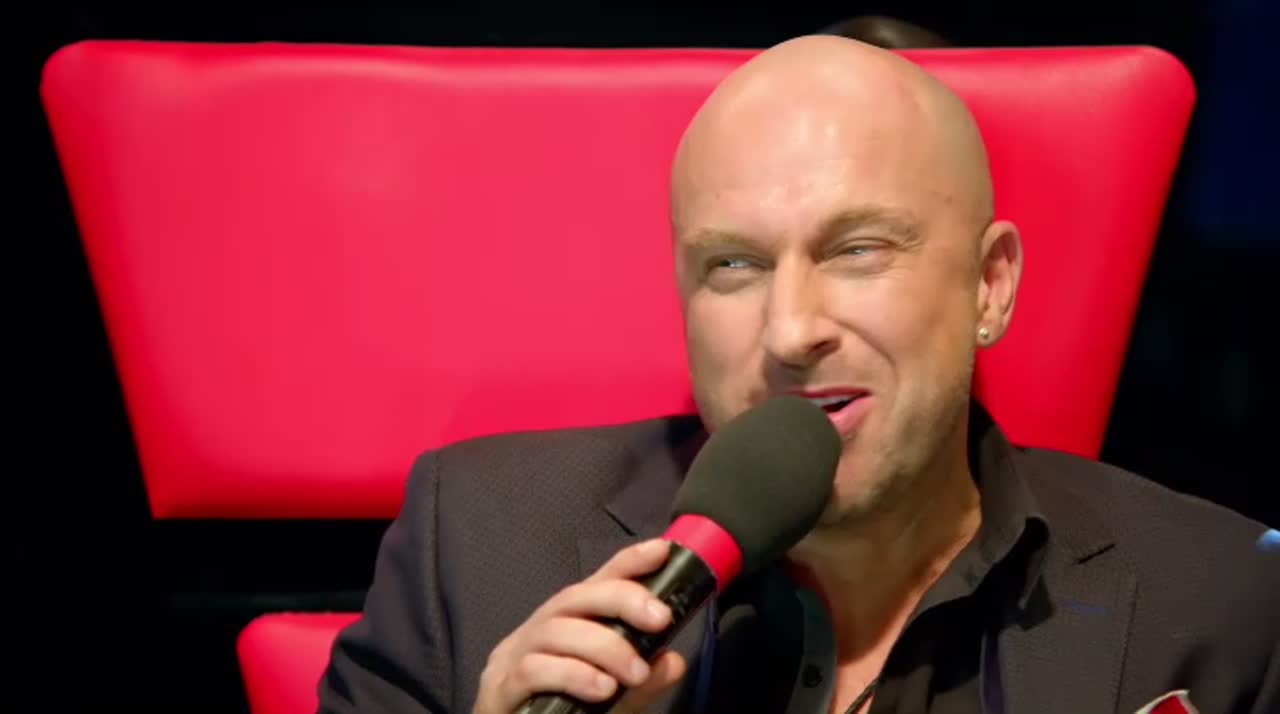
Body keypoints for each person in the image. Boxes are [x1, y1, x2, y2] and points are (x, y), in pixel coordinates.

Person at [316, 35, 1278, 714]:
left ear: (989, 286)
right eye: (733, 264)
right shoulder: (474, 549)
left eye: (857, 250)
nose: (790, 330)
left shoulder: (1221, 599)